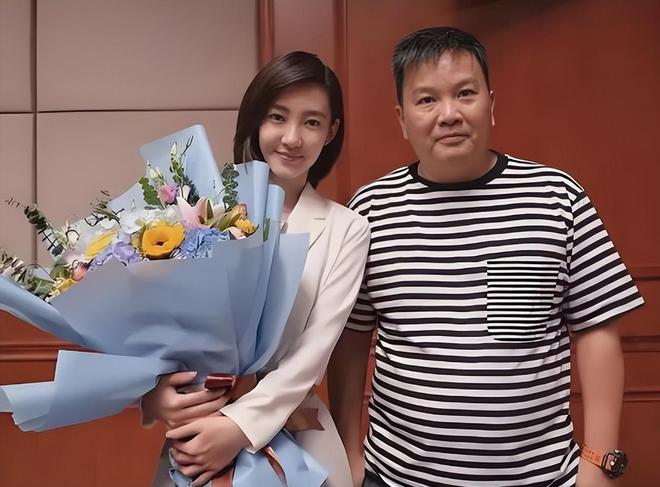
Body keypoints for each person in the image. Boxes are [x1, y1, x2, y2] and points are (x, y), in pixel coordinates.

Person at [328, 27, 643, 487]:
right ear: (402, 118)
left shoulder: (557, 198)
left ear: (491, 104)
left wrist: (598, 464)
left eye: (465, 93)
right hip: (396, 477)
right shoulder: (371, 210)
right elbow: (350, 340)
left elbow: (597, 332)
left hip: (540, 478)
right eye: (427, 100)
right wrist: (347, 454)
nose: (449, 114)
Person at [142, 51, 369, 487]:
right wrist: (155, 396)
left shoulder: (347, 229)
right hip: (199, 427)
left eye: (312, 122)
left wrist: (238, 428)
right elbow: (155, 331)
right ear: (256, 120)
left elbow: (312, 356)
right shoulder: (196, 213)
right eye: (277, 117)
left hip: (298, 429)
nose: (292, 137)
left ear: (331, 132)